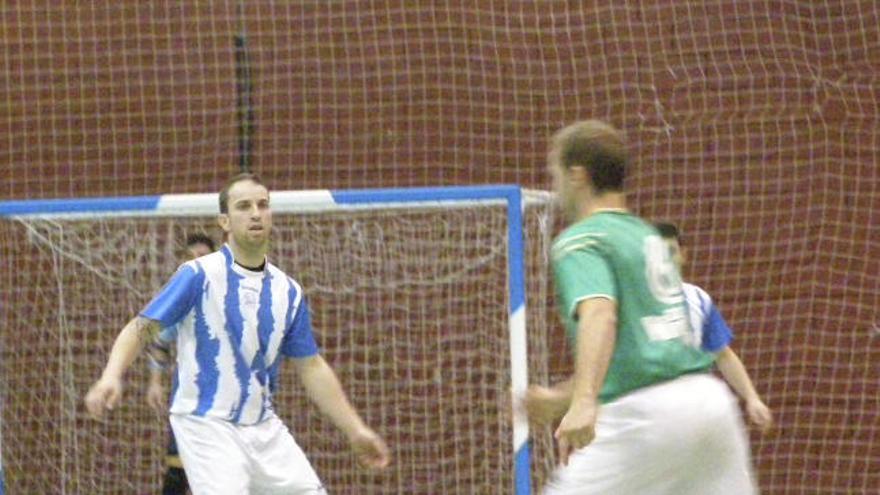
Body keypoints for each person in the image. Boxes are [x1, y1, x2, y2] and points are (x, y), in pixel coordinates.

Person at [85, 173, 390, 495]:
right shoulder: (198, 275)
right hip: (205, 423)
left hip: (263, 426)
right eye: (244, 206)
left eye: (263, 205)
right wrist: (111, 375)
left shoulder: (288, 291)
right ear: (225, 222)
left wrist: (355, 429)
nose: (256, 213)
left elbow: (311, 366)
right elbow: (141, 327)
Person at [523, 120, 756, 494]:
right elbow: (640, 350)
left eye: (556, 173)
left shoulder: (582, 241)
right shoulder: (646, 235)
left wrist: (582, 402)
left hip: (646, 418)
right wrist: (560, 398)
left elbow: (601, 314)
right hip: (710, 404)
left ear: (578, 175)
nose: (555, 185)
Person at [653, 221, 773, 431]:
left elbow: (723, 355)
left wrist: (752, 398)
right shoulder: (633, 302)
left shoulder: (698, 299)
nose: (665, 261)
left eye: (670, 252)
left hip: (693, 409)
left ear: (683, 255)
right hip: (651, 410)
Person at [145, 233, 216, 495]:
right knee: (177, 473)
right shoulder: (182, 304)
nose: (198, 262)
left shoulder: (232, 300)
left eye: (204, 257)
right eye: (191, 257)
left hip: (227, 404)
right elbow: (159, 341)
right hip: (188, 402)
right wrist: (155, 382)